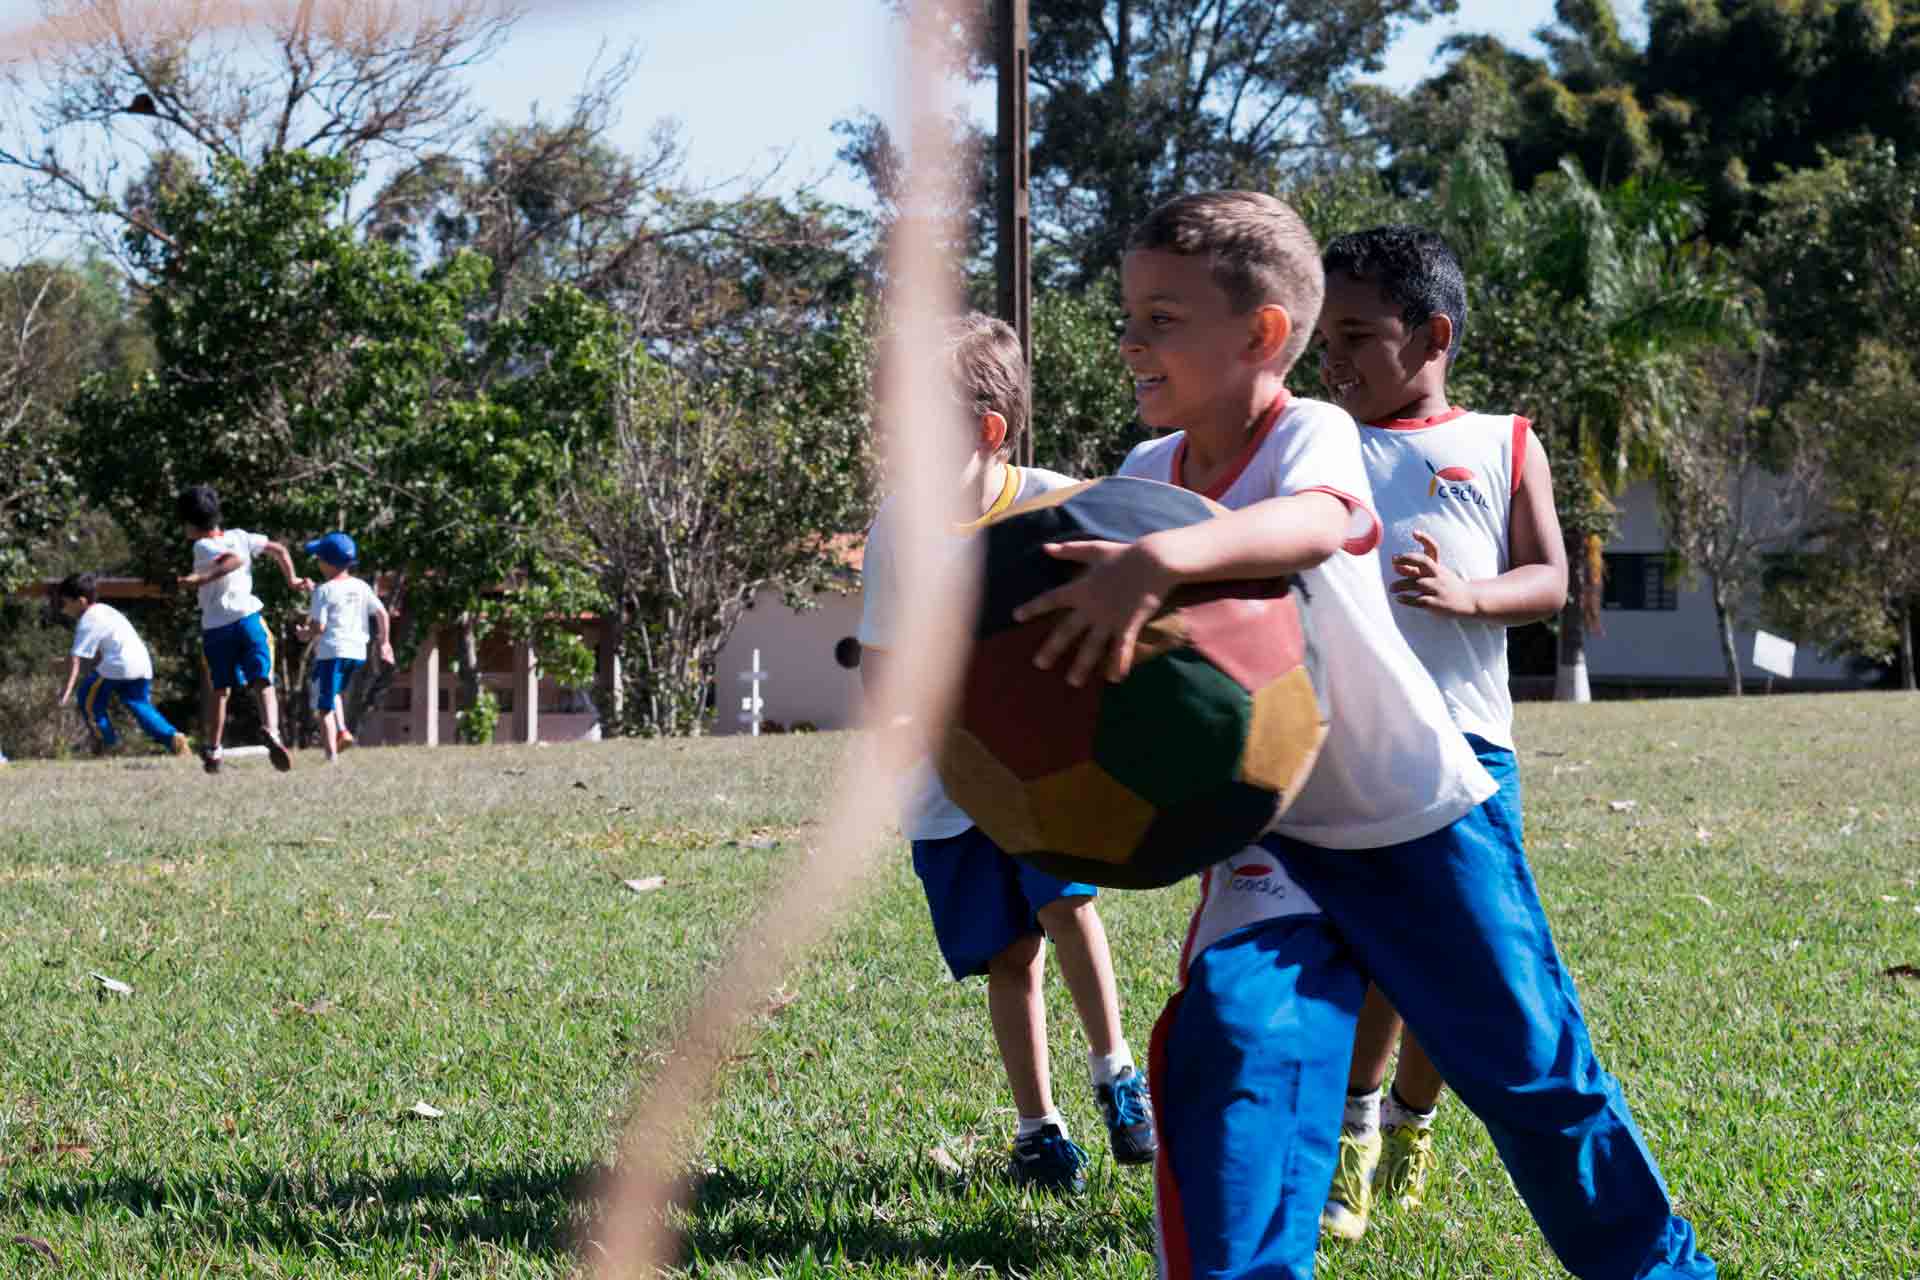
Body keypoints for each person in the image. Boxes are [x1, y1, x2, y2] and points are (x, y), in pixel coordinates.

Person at [1013, 191, 1713, 1279]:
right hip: (1270, 836)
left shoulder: (1311, 432)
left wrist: (1165, 559)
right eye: (1128, 315)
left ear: (1262, 337)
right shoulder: (1145, 478)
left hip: (1415, 816)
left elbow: (1320, 521)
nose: (1129, 340)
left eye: (1161, 315)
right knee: (1235, 1054)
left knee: (1534, 1075)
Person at [1308, 224, 1572, 1238]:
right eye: (1324, 338)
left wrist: (1468, 595)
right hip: (1357, 744)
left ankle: (1416, 1122)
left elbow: (1546, 578)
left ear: (1433, 335)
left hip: (1471, 746)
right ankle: (1353, 1145)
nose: (1333, 360)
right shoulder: (1322, 445)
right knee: (1377, 953)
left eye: (1357, 336)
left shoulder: (1502, 439)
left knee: (1459, 964)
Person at [858, 313, 1157, 1194]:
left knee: (1068, 909)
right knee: (1008, 958)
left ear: (988, 430)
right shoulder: (898, 529)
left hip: (1051, 776)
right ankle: (1038, 1130)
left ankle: (1117, 1077)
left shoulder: (1061, 504)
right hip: (946, 786)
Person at [176, 484, 310, 774]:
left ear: (191, 523)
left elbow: (232, 561)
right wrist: (293, 579)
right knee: (262, 680)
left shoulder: (201, 546)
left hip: (217, 628)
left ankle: (213, 750)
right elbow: (277, 549)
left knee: (220, 689)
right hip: (250, 621)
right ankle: (272, 731)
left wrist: (200, 579)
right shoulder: (241, 536)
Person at [53, 573, 190, 758]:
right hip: (141, 664)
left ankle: (108, 744)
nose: (63, 609)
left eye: (65, 603)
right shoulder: (107, 610)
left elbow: (76, 659)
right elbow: (96, 655)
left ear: (81, 601)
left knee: (87, 698)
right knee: (140, 705)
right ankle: (174, 738)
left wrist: (65, 692)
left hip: (119, 666)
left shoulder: (87, 620)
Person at [295, 531, 392, 762]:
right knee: (331, 691)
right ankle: (342, 731)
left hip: (331, 653)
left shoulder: (323, 591)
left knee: (323, 707)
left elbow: (319, 626)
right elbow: (381, 612)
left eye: (318, 558)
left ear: (326, 563)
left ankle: (331, 759)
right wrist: (385, 642)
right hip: (356, 653)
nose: (317, 562)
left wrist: (304, 634)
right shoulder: (360, 586)